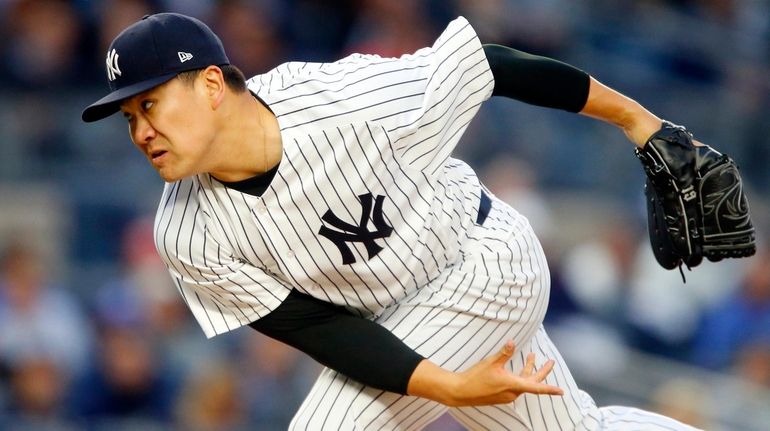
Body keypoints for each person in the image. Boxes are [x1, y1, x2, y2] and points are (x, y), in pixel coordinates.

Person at [82, 12, 702, 430]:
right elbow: (320, 330)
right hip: (392, 319)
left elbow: (489, 67)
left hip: (481, 262)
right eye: (128, 117)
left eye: (150, 104)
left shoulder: (343, 103)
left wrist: (638, 122)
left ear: (212, 84)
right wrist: (444, 385)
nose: (140, 131)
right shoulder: (186, 232)